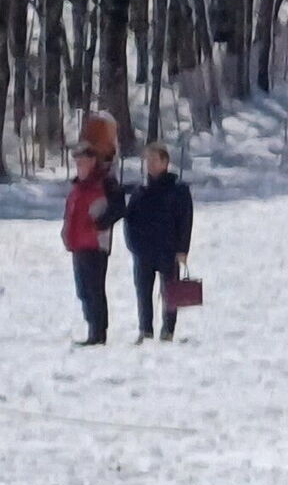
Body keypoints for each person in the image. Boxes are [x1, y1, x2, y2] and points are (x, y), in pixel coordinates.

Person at [123, 142, 194, 342]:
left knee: (170, 292)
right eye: (148, 160)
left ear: (165, 162)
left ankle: (168, 330)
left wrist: (182, 249)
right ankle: (145, 330)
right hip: (143, 252)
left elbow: (185, 220)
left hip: (168, 250)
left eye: (154, 160)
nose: (150, 164)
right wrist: (133, 246)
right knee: (143, 293)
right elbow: (129, 220)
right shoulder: (140, 191)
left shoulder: (178, 189)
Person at [63, 136, 127, 346]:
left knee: (94, 288)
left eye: (81, 161)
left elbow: (119, 207)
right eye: (76, 161)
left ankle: (98, 332)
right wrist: (66, 232)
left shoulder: (105, 182)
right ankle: (92, 327)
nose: (78, 165)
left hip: (96, 244)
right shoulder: (77, 186)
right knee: (83, 289)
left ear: (92, 161)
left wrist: (102, 223)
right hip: (78, 244)